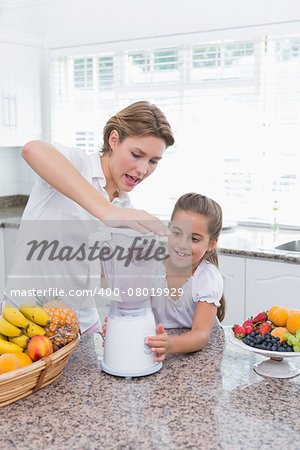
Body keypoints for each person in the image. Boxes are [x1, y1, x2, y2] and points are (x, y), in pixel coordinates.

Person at [19, 101, 175, 333]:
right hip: (29, 317)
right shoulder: (78, 164)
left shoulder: (123, 205)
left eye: (153, 161)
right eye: (136, 154)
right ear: (114, 140)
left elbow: (103, 274)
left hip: (81, 320)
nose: (143, 170)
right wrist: (106, 211)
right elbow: (32, 149)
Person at [146, 193, 225, 361]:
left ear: (211, 244)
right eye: (177, 233)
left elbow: (200, 335)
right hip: (158, 351)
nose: (182, 244)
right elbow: (138, 310)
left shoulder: (207, 278)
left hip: (199, 358)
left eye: (194, 239)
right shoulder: (152, 268)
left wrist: (171, 344)